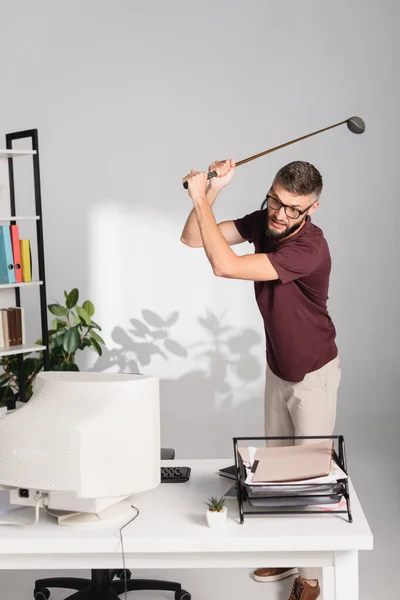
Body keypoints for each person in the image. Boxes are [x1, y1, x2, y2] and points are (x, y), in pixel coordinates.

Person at [180, 159, 341, 600]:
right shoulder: (266, 220)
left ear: (312, 209)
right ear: (270, 191)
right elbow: (194, 237)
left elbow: (225, 266)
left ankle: (310, 579)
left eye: (294, 209)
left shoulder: (308, 248)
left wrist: (197, 196)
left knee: (310, 478)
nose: (281, 214)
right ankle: (289, 551)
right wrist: (211, 190)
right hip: (278, 366)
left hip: (314, 373)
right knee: (277, 472)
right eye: (276, 200)